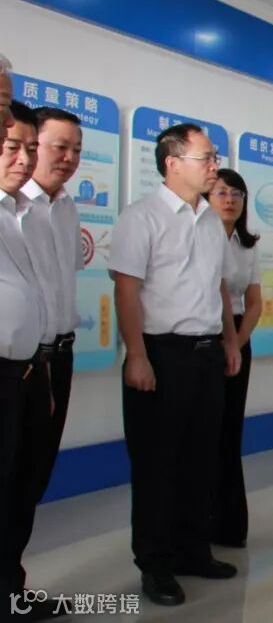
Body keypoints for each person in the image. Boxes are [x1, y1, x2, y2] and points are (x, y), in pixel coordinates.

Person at [109, 123, 242, 607]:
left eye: (215, 158)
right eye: (206, 158)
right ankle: (156, 565)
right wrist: (137, 355)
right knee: (158, 465)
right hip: (160, 354)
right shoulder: (140, 217)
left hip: (207, 354)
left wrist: (230, 340)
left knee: (201, 459)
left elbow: (219, 287)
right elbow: (126, 290)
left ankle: (193, 550)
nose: (215, 167)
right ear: (172, 163)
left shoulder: (209, 220)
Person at [0, 98, 55, 621]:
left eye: (30, 148)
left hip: (30, 369)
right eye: (12, 145)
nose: (24, 158)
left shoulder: (29, 215)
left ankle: (11, 591)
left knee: (22, 487)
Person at [204, 169, 262, 548]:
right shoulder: (199, 236)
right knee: (203, 431)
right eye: (221, 192)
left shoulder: (247, 244)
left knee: (229, 431)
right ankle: (200, 521)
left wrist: (236, 344)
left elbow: (254, 303)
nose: (229, 200)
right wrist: (225, 343)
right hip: (205, 332)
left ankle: (229, 524)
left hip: (238, 336)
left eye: (236, 194)